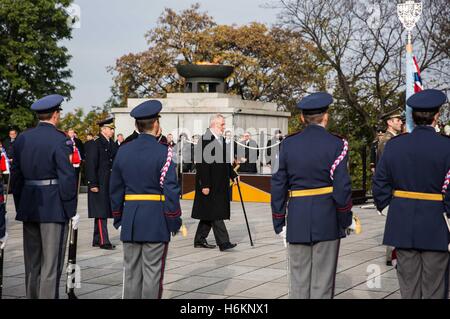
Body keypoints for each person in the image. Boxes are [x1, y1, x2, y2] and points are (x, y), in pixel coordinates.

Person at [271, 92, 353, 299]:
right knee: (323, 283)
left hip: (297, 216)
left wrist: (279, 221)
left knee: (298, 282)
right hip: (327, 217)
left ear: (301, 118)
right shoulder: (338, 144)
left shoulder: (288, 144)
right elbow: (342, 187)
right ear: (326, 116)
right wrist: (345, 219)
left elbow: (278, 184)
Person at [373, 89, 450, 299]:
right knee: (435, 285)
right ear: (436, 116)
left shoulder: (396, 145)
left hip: (403, 223)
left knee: (408, 286)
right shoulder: (446, 146)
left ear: (413, 117)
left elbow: (379, 183)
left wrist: (391, 209)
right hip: (437, 223)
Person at [110, 100, 182, 299]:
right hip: (155, 219)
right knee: (152, 275)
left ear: (136, 126)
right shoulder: (165, 152)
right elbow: (171, 191)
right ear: (156, 124)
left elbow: (115, 189)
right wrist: (174, 220)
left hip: (130, 218)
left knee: (132, 274)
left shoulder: (123, 151)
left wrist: (118, 219)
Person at [10, 94, 78, 299]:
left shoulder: (23, 138)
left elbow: (16, 175)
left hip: (29, 205)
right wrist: (71, 210)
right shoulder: (60, 139)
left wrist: (21, 204)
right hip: (53, 207)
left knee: (32, 262)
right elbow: (66, 178)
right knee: (51, 263)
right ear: (55, 115)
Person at [192, 114, 239, 252]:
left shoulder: (221, 139)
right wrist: (205, 184)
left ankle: (199, 239)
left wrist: (233, 174)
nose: (224, 127)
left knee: (209, 213)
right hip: (209, 183)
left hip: (219, 183)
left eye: (224, 124)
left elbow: (225, 162)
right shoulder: (205, 139)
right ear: (213, 124)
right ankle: (224, 243)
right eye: (221, 125)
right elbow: (202, 164)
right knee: (216, 212)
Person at [85, 117, 118, 250]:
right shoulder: (95, 143)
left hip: (107, 181)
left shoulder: (110, 143)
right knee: (101, 212)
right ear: (103, 129)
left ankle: (97, 239)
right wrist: (92, 183)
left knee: (102, 209)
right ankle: (104, 241)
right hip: (98, 182)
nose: (112, 131)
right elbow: (90, 164)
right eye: (110, 129)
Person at [376, 109, 403, 266]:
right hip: (391, 188)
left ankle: (392, 254)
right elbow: (386, 169)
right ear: (389, 123)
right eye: (397, 120)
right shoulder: (387, 141)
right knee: (394, 223)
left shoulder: (393, 139)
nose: (400, 122)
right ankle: (391, 255)